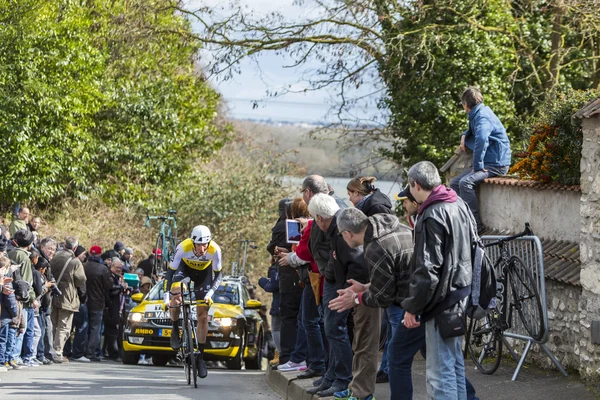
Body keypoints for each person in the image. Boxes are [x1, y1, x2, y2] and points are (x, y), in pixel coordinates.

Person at [402, 161, 474, 400]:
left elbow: (427, 269)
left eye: (409, 185)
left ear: (416, 184)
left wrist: (413, 307)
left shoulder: (431, 213)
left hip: (441, 300)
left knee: (440, 375)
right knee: (454, 367)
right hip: (460, 293)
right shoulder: (457, 202)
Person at [307, 193, 366, 398]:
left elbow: (357, 261)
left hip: (346, 284)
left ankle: (343, 378)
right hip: (335, 279)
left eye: (315, 219)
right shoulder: (329, 226)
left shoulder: (341, 230)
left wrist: (352, 290)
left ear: (320, 218)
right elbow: (321, 250)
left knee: (335, 329)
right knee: (331, 328)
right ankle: (332, 375)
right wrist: (329, 269)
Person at [164, 225, 223, 379]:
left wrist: (210, 294)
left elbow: (218, 275)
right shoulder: (183, 247)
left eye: (205, 244)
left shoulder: (215, 250)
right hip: (185, 270)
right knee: (176, 295)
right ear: (193, 242)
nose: (202, 248)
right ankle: (175, 328)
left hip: (204, 275)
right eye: (199, 244)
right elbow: (170, 273)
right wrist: (166, 297)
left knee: (203, 316)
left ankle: (200, 358)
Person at [450, 86, 512, 233]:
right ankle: (461, 219)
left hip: (496, 164)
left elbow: (482, 138)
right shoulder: (478, 113)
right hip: (489, 162)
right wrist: (464, 135)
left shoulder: (482, 117)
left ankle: (476, 225)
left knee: (466, 183)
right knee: (454, 183)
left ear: (466, 105)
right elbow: (474, 131)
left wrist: (477, 166)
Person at [49, 236, 87, 364]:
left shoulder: (55, 256)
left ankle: (50, 350)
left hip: (53, 294)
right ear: (75, 247)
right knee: (64, 326)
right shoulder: (75, 262)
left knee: (54, 324)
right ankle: (57, 352)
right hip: (67, 297)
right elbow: (81, 280)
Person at [7, 230, 38, 367]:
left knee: (12, 327)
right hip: (21, 298)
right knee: (20, 327)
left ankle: (11, 356)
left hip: (10, 293)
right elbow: (25, 281)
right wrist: (31, 297)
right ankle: (14, 357)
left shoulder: (11, 252)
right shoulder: (24, 257)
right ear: (30, 243)